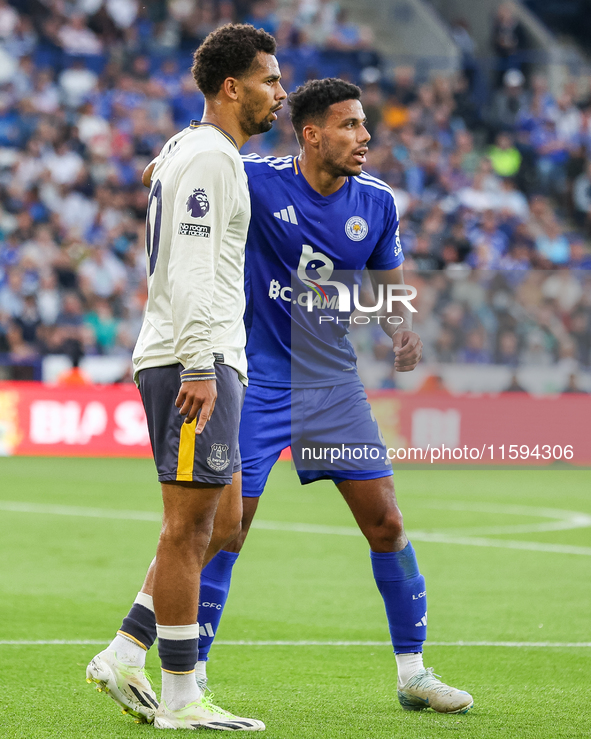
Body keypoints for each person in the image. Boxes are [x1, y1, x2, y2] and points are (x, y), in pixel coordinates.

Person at [195, 79, 473, 714]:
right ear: (311, 132)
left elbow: (388, 282)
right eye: (349, 125)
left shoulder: (376, 202)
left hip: (332, 386)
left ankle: (414, 674)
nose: (364, 136)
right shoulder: (256, 179)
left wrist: (401, 329)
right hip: (257, 380)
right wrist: (167, 164)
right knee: (227, 531)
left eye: (365, 125)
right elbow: (193, 166)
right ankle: (194, 674)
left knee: (387, 523)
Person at [86, 23, 286, 731]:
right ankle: (179, 696)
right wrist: (201, 361)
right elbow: (191, 266)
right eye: (269, 80)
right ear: (232, 87)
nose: (279, 93)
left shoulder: (200, 150)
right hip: (189, 359)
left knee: (224, 523)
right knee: (188, 527)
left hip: (214, 356)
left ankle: (123, 650)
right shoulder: (208, 157)